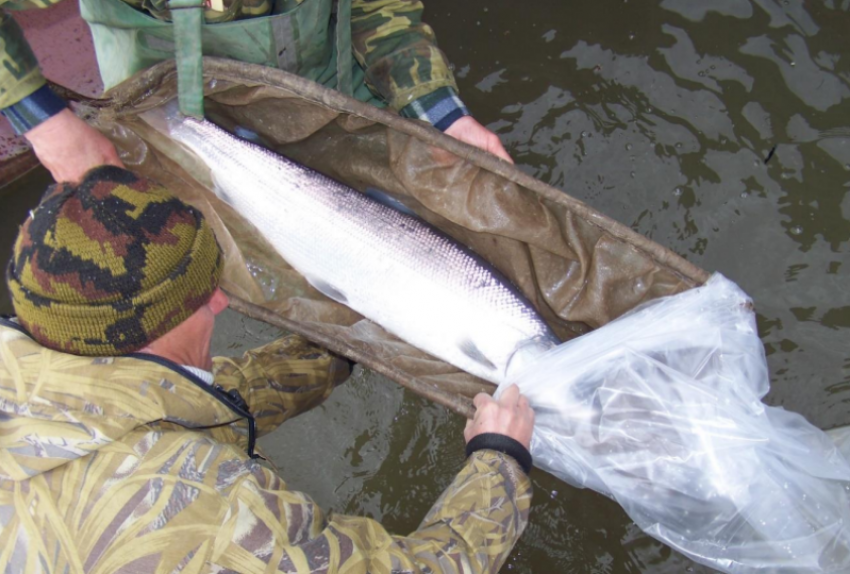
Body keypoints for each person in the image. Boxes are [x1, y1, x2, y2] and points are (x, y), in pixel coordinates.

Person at [0, 165, 535, 572]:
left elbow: (184, 404)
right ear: (148, 326)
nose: (221, 304)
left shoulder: (33, 370)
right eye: (202, 296)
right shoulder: (213, 515)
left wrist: (338, 348)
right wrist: (499, 460)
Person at [0, 0, 512, 184]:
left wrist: (443, 115)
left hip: (325, 74)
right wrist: (46, 124)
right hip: (167, 101)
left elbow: (381, 12)